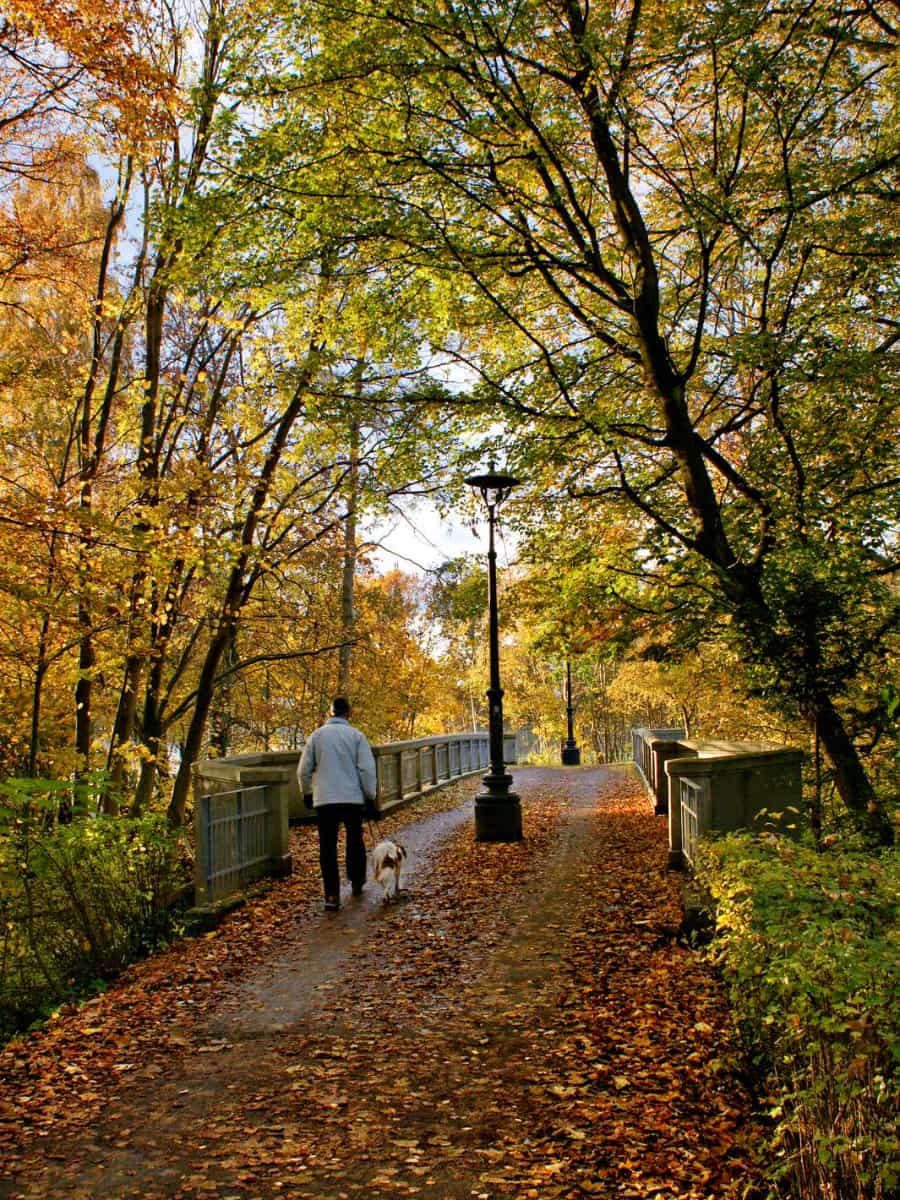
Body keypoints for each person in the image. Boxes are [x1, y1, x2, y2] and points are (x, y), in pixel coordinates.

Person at [298, 697, 378, 911]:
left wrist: (307, 792)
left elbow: (303, 770)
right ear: (348, 714)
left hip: (324, 799)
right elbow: (366, 769)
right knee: (354, 840)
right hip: (352, 798)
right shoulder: (356, 736)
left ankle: (331, 895)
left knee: (327, 847)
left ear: (330, 713)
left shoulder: (316, 736)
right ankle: (357, 880)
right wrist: (370, 795)